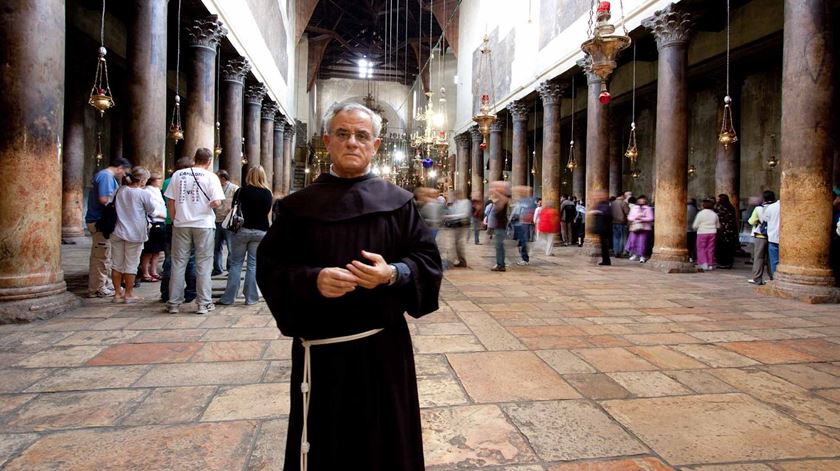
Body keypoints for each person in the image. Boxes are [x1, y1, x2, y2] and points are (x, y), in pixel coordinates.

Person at [256, 102, 441, 471]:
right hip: (323, 355)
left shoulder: (399, 204)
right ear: (328, 141)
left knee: (386, 444)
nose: (352, 142)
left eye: (362, 135)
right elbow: (271, 268)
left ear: (375, 145)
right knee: (326, 445)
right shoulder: (296, 208)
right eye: (343, 134)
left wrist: (394, 273)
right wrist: (313, 280)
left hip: (384, 350)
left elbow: (428, 262)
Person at [164, 148, 225, 315]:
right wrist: (212, 204)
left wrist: (175, 219)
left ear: (194, 159)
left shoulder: (178, 175)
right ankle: (203, 303)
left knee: (178, 263)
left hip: (181, 223)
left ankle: (174, 303)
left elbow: (171, 201)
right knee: (204, 264)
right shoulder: (211, 177)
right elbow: (217, 202)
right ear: (209, 161)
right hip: (203, 224)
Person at [219, 166, 272, 305]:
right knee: (253, 265)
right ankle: (251, 298)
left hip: (242, 230)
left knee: (236, 263)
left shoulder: (241, 191)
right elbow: (267, 214)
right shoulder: (268, 193)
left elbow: (234, 209)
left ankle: (229, 298)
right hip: (260, 231)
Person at [85, 157, 132, 298]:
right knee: (101, 256)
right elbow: (104, 199)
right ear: (119, 168)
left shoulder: (106, 176)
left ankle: (104, 283)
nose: (124, 175)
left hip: (101, 220)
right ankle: (97, 287)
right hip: (100, 221)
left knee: (105, 254)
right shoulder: (106, 176)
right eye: (124, 172)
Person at [111, 166, 158, 303]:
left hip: (117, 230)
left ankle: (117, 294)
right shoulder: (143, 194)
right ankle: (128, 294)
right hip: (135, 232)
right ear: (142, 180)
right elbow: (151, 209)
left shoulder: (120, 190)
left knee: (117, 264)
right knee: (131, 264)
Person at [160, 157, 197, 303]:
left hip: (171, 222)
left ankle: (166, 292)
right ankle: (191, 292)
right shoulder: (192, 180)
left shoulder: (168, 181)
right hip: (187, 221)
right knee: (191, 259)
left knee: (171, 258)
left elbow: (167, 201)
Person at [139, 172, 167, 282]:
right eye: (158, 179)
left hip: (161, 222)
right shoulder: (147, 191)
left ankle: (154, 271)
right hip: (154, 222)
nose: (160, 181)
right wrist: (163, 215)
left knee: (157, 251)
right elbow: (151, 209)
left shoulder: (157, 191)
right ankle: (145, 272)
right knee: (148, 251)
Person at [213, 170, 239, 276]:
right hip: (216, 220)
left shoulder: (234, 188)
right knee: (216, 247)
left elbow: (237, 204)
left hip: (228, 222)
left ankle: (231, 269)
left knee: (231, 247)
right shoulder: (215, 188)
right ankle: (217, 268)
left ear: (223, 178)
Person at [747, 190, 775, 285]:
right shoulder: (777, 207)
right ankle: (773, 278)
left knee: (759, 257)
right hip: (772, 235)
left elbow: (751, 221)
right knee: (771, 258)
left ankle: (757, 278)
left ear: (764, 199)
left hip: (760, 235)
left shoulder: (758, 209)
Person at [443, 190, 470, 267]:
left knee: (458, 243)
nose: (455, 196)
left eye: (456, 195)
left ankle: (462, 261)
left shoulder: (466, 202)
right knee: (455, 243)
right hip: (455, 224)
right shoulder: (455, 203)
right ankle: (459, 260)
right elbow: (452, 212)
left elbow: (464, 214)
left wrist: (450, 216)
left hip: (462, 224)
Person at [509, 186, 534, 266]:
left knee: (523, 242)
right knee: (520, 242)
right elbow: (515, 211)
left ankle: (525, 258)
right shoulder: (523, 201)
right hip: (519, 224)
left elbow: (519, 212)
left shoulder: (528, 202)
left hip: (523, 224)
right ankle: (524, 257)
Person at [693, 198, 721, 271]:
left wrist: (695, 228)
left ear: (703, 205)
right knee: (710, 249)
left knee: (701, 248)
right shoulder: (714, 214)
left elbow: (695, 225)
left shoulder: (700, 214)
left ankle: (703, 263)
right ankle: (710, 264)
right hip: (712, 233)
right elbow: (718, 225)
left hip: (702, 232)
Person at [626, 195, 654, 263]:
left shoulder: (648, 208)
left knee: (642, 242)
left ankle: (642, 256)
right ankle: (635, 254)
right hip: (635, 227)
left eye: (643, 200)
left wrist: (642, 219)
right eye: (640, 200)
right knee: (633, 241)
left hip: (644, 228)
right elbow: (629, 217)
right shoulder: (634, 208)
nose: (641, 201)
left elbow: (651, 218)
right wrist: (636, 217)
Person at [714, 194, 738, 269]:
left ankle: (723, 263)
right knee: (726, 247)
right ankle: (727, 263)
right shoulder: (731, 207)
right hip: (729, 232)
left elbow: (719, 218)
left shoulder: (722, 208)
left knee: (724, 247)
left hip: (724, 231)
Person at [489, 181, 510, 271]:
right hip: (498, 226)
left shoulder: (504, 199)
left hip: (501, 226)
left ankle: (501, 265)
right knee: (498, 246)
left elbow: (503, 201)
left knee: (499, 246)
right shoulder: (499, 200)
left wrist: (496, 190)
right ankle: (500, 263)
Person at [592, 190, 612, 266]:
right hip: (601, 228)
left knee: (604, 246)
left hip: (604, 228)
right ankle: (605, 260)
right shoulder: (599, 204)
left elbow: (606, 214)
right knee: (603, 245)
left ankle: (606, 261)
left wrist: (597, 212)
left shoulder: (605, 205)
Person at [761, 198, 781, 274]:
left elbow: (764, 219)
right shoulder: (792, 208)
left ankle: (775, 278)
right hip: (785, 239)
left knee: (774, 261)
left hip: (773, 236)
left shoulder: (771, 207)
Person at [686, 198, 698, 264]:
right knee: (692, 245)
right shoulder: (695, 209)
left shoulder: (687, 208)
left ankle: (689, 257)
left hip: (687, 229)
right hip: (693, 230)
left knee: (688, 245)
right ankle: (693, 257)